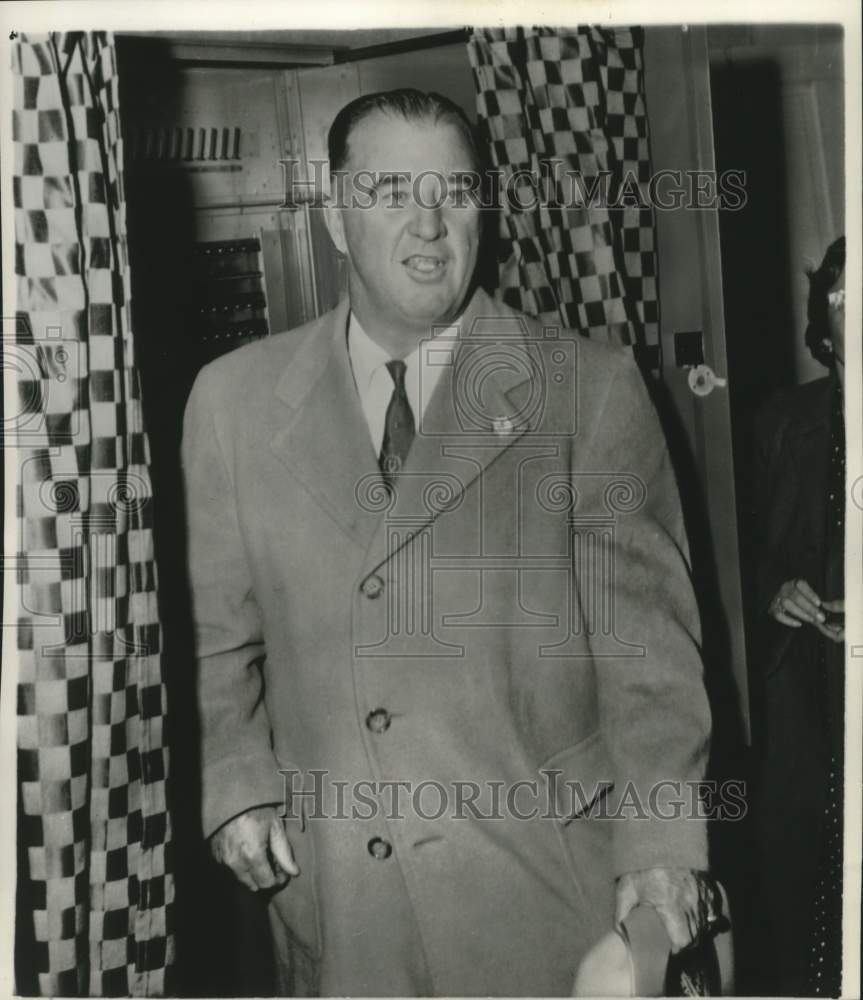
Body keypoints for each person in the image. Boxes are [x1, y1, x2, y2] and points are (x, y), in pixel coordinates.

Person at [181, 88, 717, 996]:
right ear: (336, 217)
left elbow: (650, 662)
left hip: (546, 894)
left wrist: (664, 848)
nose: (430, 225)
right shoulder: (232, 401)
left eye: (456, 193)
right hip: (342, 901)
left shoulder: (585, 389)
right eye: (393, 191)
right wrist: (237, 782)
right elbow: (213, 639)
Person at [751, 236, 846, 997]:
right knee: (803, 887)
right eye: (844, 298)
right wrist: (777, 593)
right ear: (822, 324)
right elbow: (746, 556)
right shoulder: (784, 423)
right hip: (806, 692)